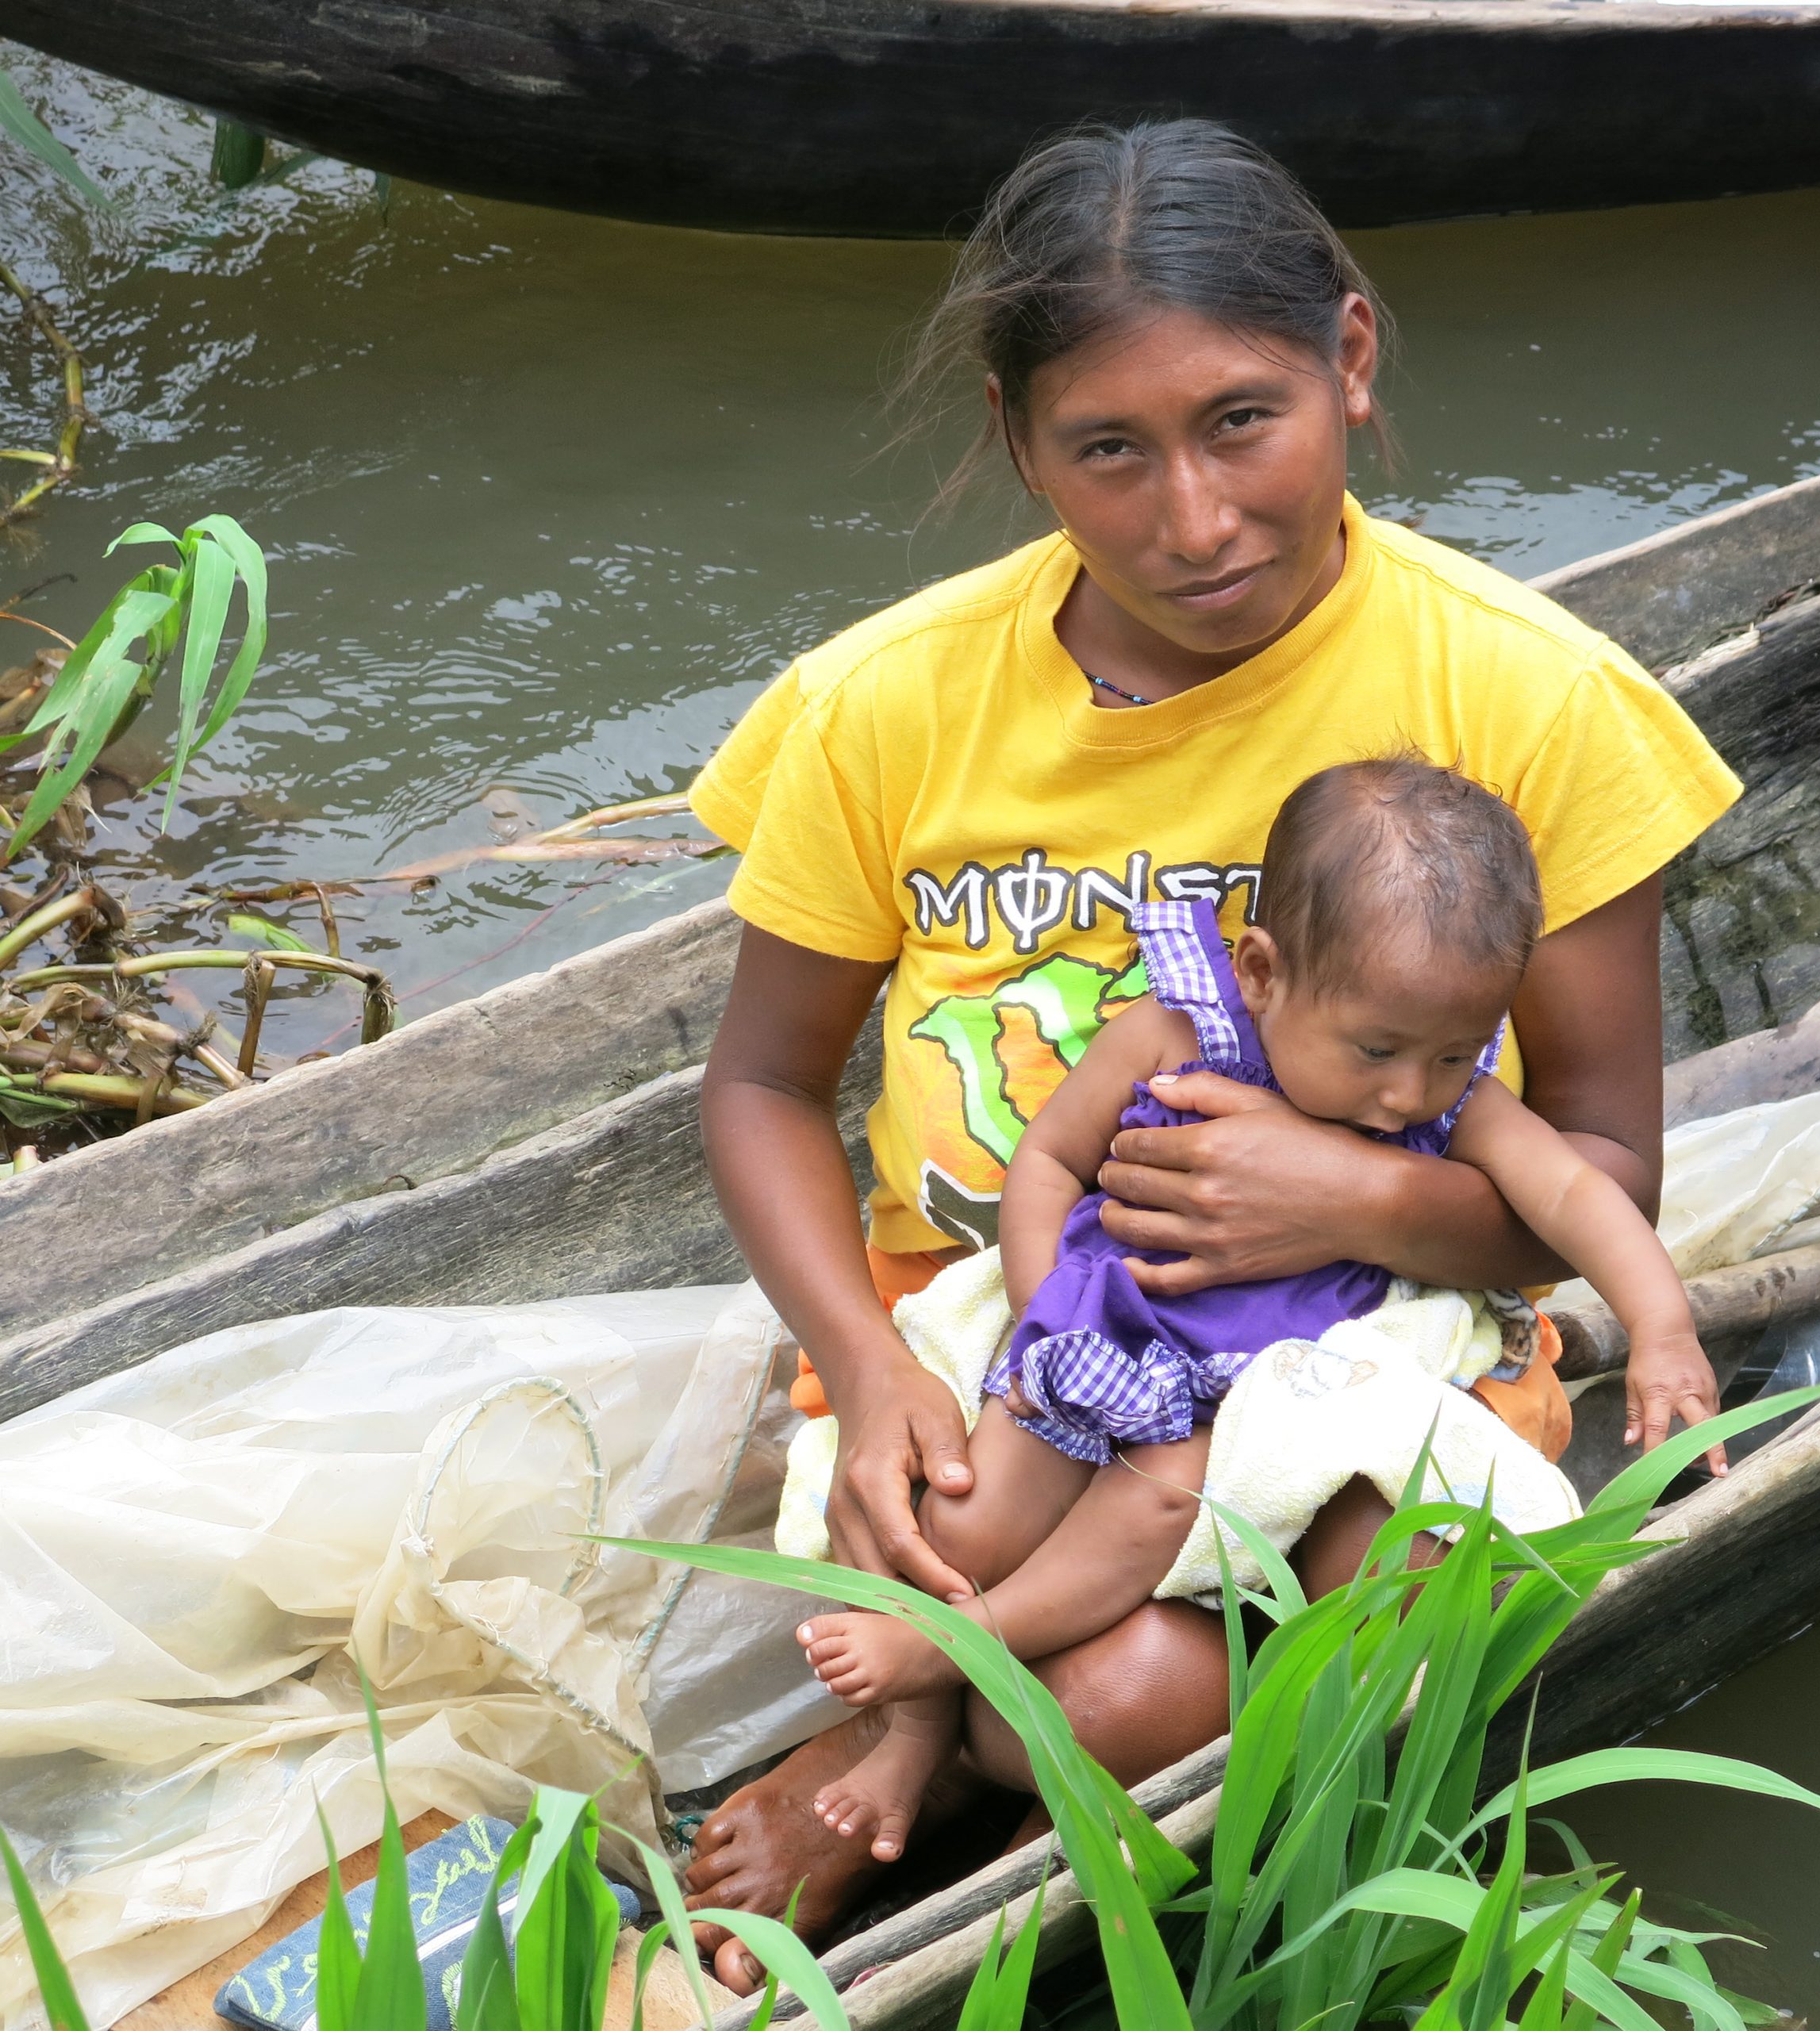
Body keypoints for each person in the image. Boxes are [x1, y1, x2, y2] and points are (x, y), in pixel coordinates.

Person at [684, 116, 1741, 1989]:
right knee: (1083, 1689)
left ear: (1344, 362)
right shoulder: (882, 705)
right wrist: (868, 1362)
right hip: (1007, 1334)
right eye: (1107, 447)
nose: (1192, 518)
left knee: (1332, 1627)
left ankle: (974, 1779)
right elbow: (761, 1082)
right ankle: (953, 1750)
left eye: (1240, 418)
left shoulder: (1528, 697)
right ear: (1021, 447)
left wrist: (1339, 1193)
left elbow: (1594, 1166)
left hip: (1366, 1334)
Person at [792, 758, 1725, 1864]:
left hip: (1245, 1401)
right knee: (962, 1526)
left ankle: (959, 1654)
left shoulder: (1450, 1104)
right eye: (1377, 1051)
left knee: (1151, 1504)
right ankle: (913, 1739)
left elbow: (1578, 1192)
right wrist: (1050, 1313)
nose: (1407, 1094)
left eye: (1452, 1053)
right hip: (1104, 1336)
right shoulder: (1175, 1035)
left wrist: (1662, 1328)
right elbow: (1047, 1158)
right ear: (1263, 970)